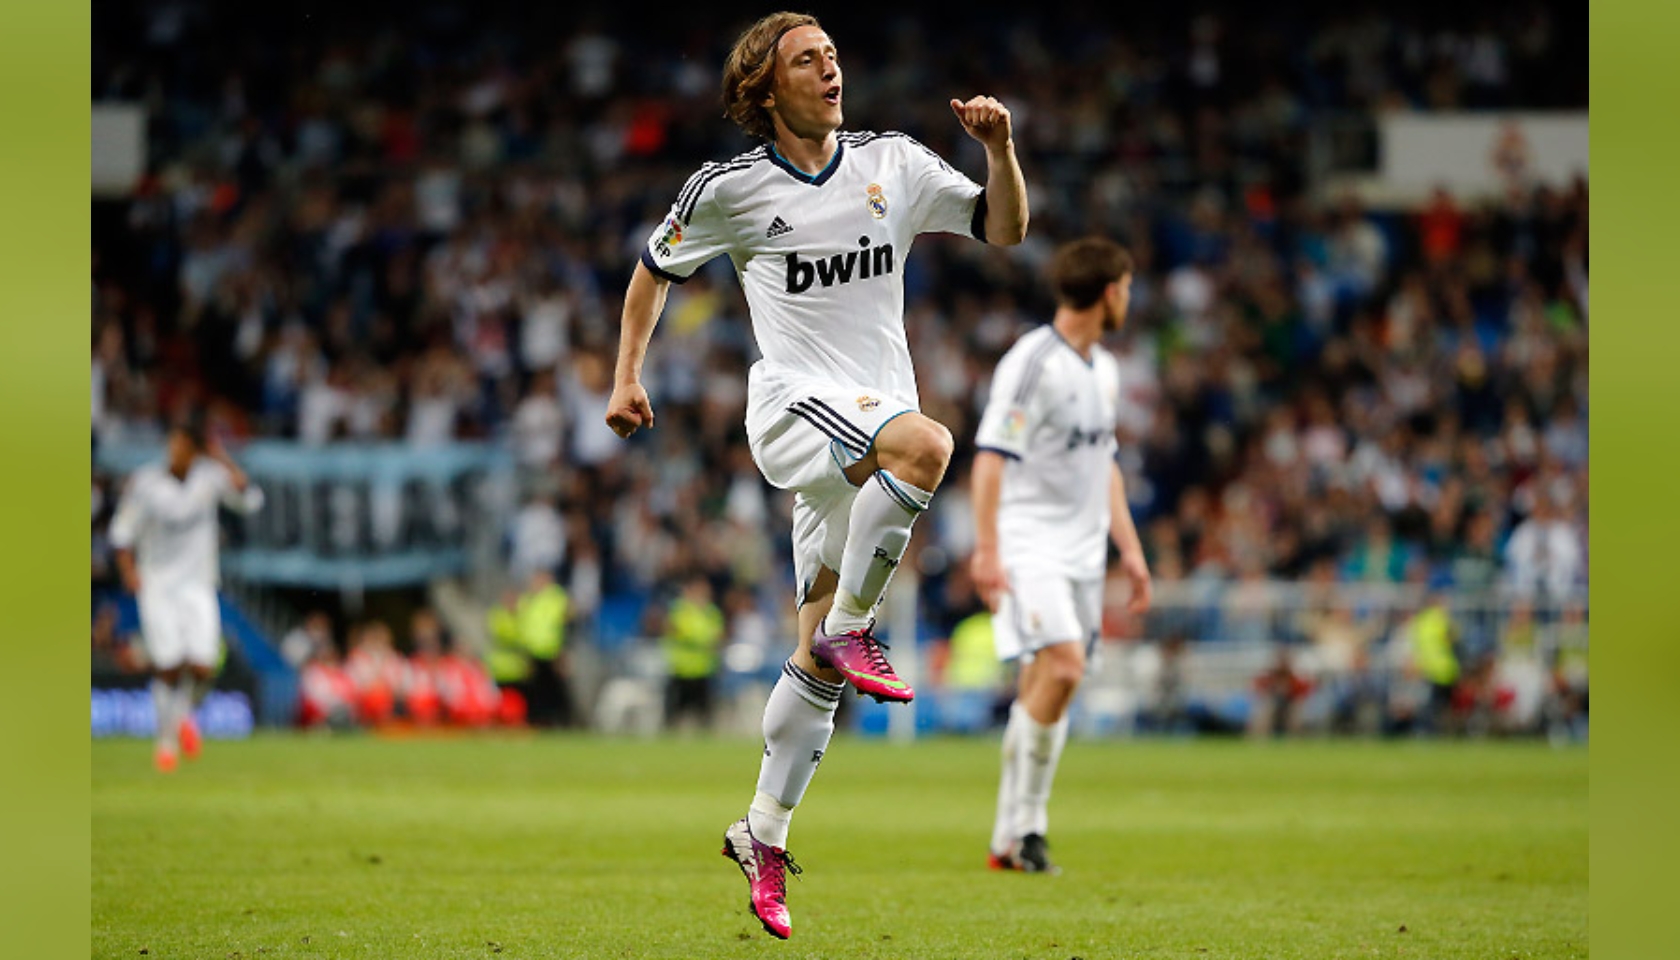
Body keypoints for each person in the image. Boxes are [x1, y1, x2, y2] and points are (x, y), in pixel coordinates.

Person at [604, 11, 1026, 939]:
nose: (831, 70)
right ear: (767, 88)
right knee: (931, 447)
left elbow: (1002, 229)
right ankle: (852, 629)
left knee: (814, 666)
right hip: (797, 413)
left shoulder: (895, 165)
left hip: (860, 447)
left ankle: (763, 830)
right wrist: (629, 374)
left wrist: (1000, 149)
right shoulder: (731, 188)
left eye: (834, 55)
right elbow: (651, 271)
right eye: (808, 60)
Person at [968, 238, 1151, 874]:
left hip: (1081, 556)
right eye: (1126, 288)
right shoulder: (1032, 362)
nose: (1128, 299)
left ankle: (1007, 841)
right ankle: (1028, 828)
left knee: (1044, 686)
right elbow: (990, 456)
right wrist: (988, 549)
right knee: (1065, 669)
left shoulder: (1103, 369)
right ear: (1108, 292)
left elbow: (1105, 467)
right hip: (1028, 545)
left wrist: (1129, 549)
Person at [109, 417, 264, 772]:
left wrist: (222, 457)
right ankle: (165, 743)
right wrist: (129, 572)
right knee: (169, 664)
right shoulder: (146, 483)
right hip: (157, 584)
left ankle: (182, 716)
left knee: (204, 664)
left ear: (194, 451)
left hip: (198, 583)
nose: (174, 453)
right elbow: (122, 531)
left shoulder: (210, 477)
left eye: (182, 446)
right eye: (171, 445)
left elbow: (250, 500)